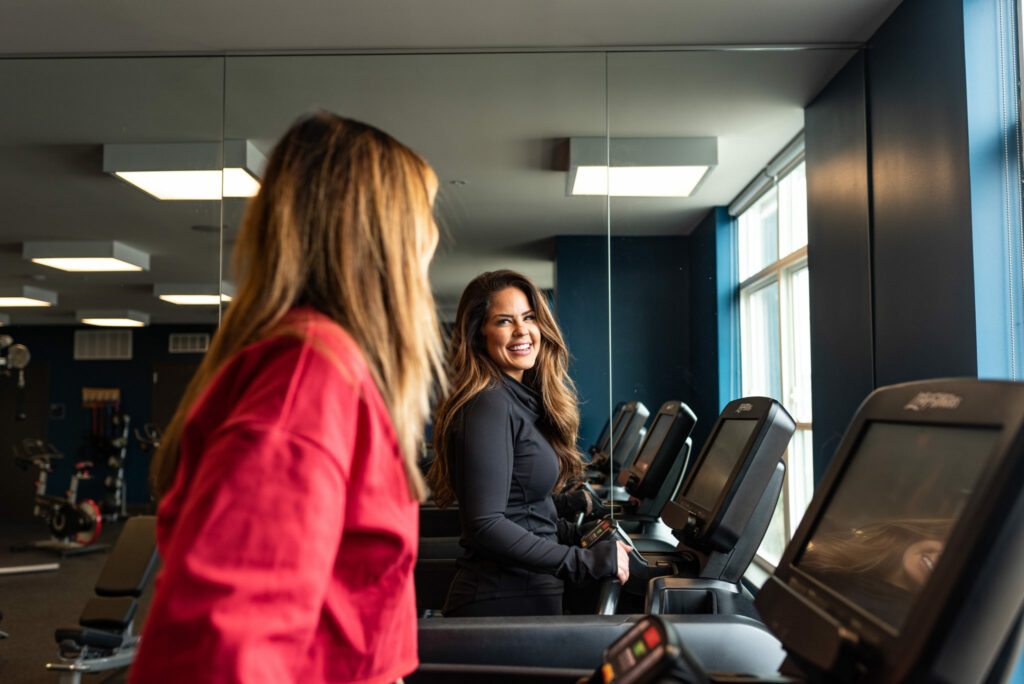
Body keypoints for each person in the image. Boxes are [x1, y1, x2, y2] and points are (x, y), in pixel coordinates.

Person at [130, 111, 445, 684]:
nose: (432, 242)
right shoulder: (310, 375)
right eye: (423, 220)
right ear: (381, 236)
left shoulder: (322, 363)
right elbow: (224, 649)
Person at [427, 269, 630, 617]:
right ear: (479, 335)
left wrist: (573, 532)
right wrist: (580, 560)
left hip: (528, 592)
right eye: (505, 321)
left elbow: (523, 508)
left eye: (529, 317)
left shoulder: (517, 397)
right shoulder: (487, 404)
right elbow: (486, 524)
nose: (522, 330)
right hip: (500, 601)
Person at [799, 518, 951, 627]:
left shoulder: (901, 625)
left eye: (952, 558)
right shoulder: (858, 555)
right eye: (948, 544)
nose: (941, 557)